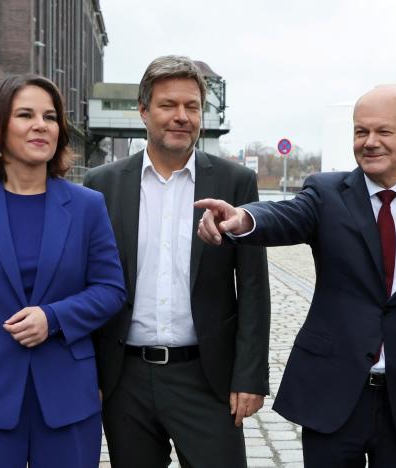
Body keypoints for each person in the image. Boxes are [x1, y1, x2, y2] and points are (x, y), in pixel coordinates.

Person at [196, 85, 396, 468]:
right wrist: (243, 219)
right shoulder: (326, 194)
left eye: (383, 131)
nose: (369, 142)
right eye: (361, 132)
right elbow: (286, 217)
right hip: (333, 394)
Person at [0, 74, 126, 468]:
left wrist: (53, 318)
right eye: (26, 115)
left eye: (50, 116)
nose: (41, 125)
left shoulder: (87, 206)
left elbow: (110, 289)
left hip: (67, 397)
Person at [84, 55, 270, 468]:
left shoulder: (234, 182)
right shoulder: (102, 185)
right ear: (144, 111)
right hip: (124, 378)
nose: (181, 117)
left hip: (207, 378)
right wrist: (89, 375)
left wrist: (250, 376)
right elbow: (88, 282)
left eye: (193, 106)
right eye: (168, 105)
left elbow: (254, 287)